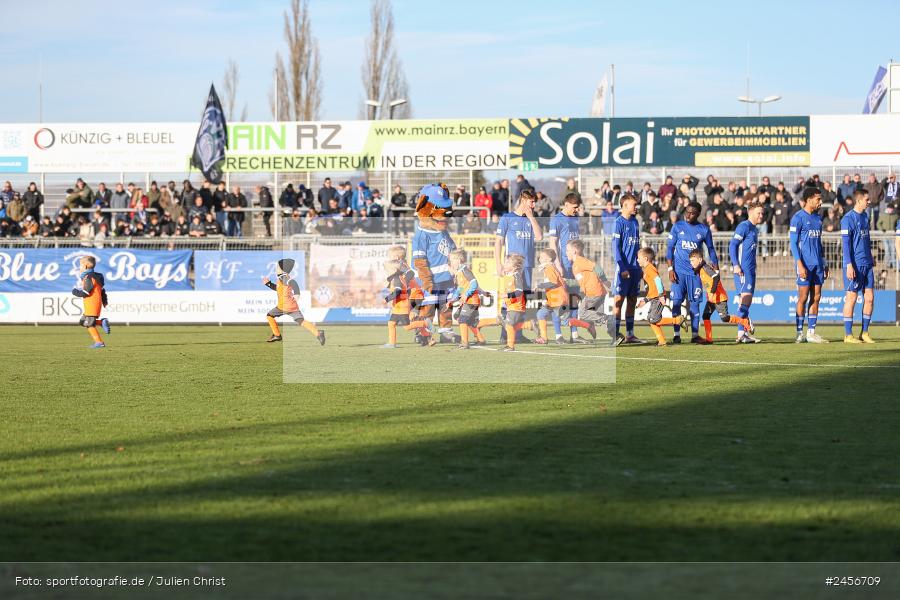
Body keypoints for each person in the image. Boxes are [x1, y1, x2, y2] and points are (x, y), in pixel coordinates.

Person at [666, 201, 719, 344]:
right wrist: (670, 269)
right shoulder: (677, 227)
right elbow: (669, 248)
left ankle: (695, 335)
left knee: (695, 304)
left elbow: (711, 249)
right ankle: (676, 334)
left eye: (692, 212)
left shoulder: (704, 230)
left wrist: (716, 266)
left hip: (695, 274)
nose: (688, 215)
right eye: (687, 211)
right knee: (676, 302)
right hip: (678, 272)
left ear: (698, 214)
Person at [494, 188, 542, 344]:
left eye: (535, 201)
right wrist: (498, 264)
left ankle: (517, 334)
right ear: (523, 200)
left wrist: (531, 217)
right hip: (512, 268)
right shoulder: (507, 218)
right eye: (532, 201)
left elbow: (540, 237)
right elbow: (499, 242)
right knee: (510, 299)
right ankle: (504, 334)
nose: (534, 205)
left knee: (522, 300)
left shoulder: (531, 218)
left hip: (527, 266)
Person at [790, 187, 829, 343]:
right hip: (804, 265)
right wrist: (799, 264)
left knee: (817, 297)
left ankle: (811, 332)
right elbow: (793, 243)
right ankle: (799, 333)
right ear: (809, 199)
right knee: (803, 297)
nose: (820, 201)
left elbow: (819, 243)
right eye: (818, 199)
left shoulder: (818, 219)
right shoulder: (798, 217)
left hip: (818, 264)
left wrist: (824, 262)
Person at [547, 193, 584, 343]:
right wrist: (558, 264)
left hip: (576, 266)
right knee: (560, 301)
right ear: (567, 204)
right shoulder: (556, 220)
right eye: (575, 207)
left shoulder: (575, 218)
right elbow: (552, 243)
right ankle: (558, 335)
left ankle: (574, 335)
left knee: (575, 300)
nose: (577, 210)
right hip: (563, 266)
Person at [262, 258, 325, 345]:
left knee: (269, 315)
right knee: (301, 321)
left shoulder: (283, 277)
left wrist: (297, 294)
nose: (276, 268)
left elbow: (293, 283)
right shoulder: (282, 278)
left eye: (278, 267)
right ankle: (318, 333)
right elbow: (278, 288)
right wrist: (268, 284)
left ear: (283, 269)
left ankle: (277, 335)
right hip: (292, 306)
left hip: (283, 306)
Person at [841, 190, 876, 344]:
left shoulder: (865, 216)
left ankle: (865, 332)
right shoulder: (848, 219)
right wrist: (849, 265)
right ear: (859, 200)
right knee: (852, 298)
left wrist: (870, 256)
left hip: (867, 263)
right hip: (854, 265)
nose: (869, 202)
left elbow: (865, 240)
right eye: (867, 199)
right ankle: (848, 335)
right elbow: (846, 245)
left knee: (869, 298)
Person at [729, 200, 765, 343]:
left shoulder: (755, 229)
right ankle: (742, 330)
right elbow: (732, 246)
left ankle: (742, 333)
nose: (761, 215)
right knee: (745, 301)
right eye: (759, 213)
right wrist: (736, 265)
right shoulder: (744, 226)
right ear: (750, 213)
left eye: (762, 212)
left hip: (750, 270)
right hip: (743, 271)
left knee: (745, 303)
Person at [565, 239, 614, 342]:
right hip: (599, 293)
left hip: (593, 293)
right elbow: (580, 281)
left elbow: (598, 268)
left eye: (567, 250)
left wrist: (605, 281)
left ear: (574, 251)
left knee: (582, 313)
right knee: (599, 318)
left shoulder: (580, 261)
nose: (566, 253)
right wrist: (568, 282)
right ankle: (616, 336)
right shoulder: (576, 265)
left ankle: (607, 318)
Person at [478, 253, 528, 352]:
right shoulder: (509, 275)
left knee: (509, 324)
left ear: (514, 267)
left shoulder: (517, 275)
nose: (504, 264)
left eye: (507, 262)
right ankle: (529, 325)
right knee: (509, 324)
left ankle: (510, 346)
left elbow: (519, 291)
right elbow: (504, 275)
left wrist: (507, 295)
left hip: (516, 305)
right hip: (510, 305)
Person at [635, 247, 685, 346]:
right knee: (651, 319)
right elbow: (652, 288)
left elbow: (657, 280)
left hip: (658, 297)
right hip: (654, 297)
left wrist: (661, 295)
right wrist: (645, 300)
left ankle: (677, 320)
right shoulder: (646, 269)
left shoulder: (649, 268)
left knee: (654, 319)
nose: (637, 260)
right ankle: (662, 341)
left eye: (638, 258)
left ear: (645, 259)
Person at [612, 195, 643, 345]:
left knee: (632, 300)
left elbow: (637, 246)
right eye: (634, 204)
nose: (636, 207)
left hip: (635, 268)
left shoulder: (635, 222)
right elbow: (615, 247)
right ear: (624, 205)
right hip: (623, 269)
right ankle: (615, 335)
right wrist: (622, 267)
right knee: (618, 300)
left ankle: (630, 335)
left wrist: (641, 265)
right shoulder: (618, 222)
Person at [382, 259, 434, 348]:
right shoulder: (399, 277)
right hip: (398, 307)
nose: (386, 271)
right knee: (391, 323)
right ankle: (392, 343)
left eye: (387, 269)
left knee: (407, 327)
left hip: (401, 307)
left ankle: (425, 324)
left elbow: (397, 291)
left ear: (394, 270)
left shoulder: (397, 278)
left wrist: (387, 299)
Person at [446, 249, 488, 349]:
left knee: (462, 319)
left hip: (472, 300)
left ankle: (464, 343)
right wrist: (452, 300)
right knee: (466, 320)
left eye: (452, 260)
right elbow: (460, 288)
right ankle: (480, 339)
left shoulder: (465, 270)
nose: (450, 262)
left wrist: (467, 294)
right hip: (468, 301)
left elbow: (474, 284)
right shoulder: (458, 273)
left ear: (459, 260)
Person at [70, 256, 110, 349]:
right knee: (83, 321)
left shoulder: (88, 277)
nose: (79, 268)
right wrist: (104, 301)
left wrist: (75, 292)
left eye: (80, 266)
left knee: (89, 324)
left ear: (86, 266)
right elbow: (102, 291)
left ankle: (99, 342)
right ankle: (101, 322)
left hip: (92, 303)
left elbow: (86, 292)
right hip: (93, 303)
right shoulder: (96, 276)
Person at [534, 248, 569, 344]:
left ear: (549, 259)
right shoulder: (549, 268)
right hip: (553, 299)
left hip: (558, 299)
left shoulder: (549, 268)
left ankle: (586, 325)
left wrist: (540, 286)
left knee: (565, 321)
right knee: (541, 314)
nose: (539, 258)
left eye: (542, 257)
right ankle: (546, 338)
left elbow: (553, 283)